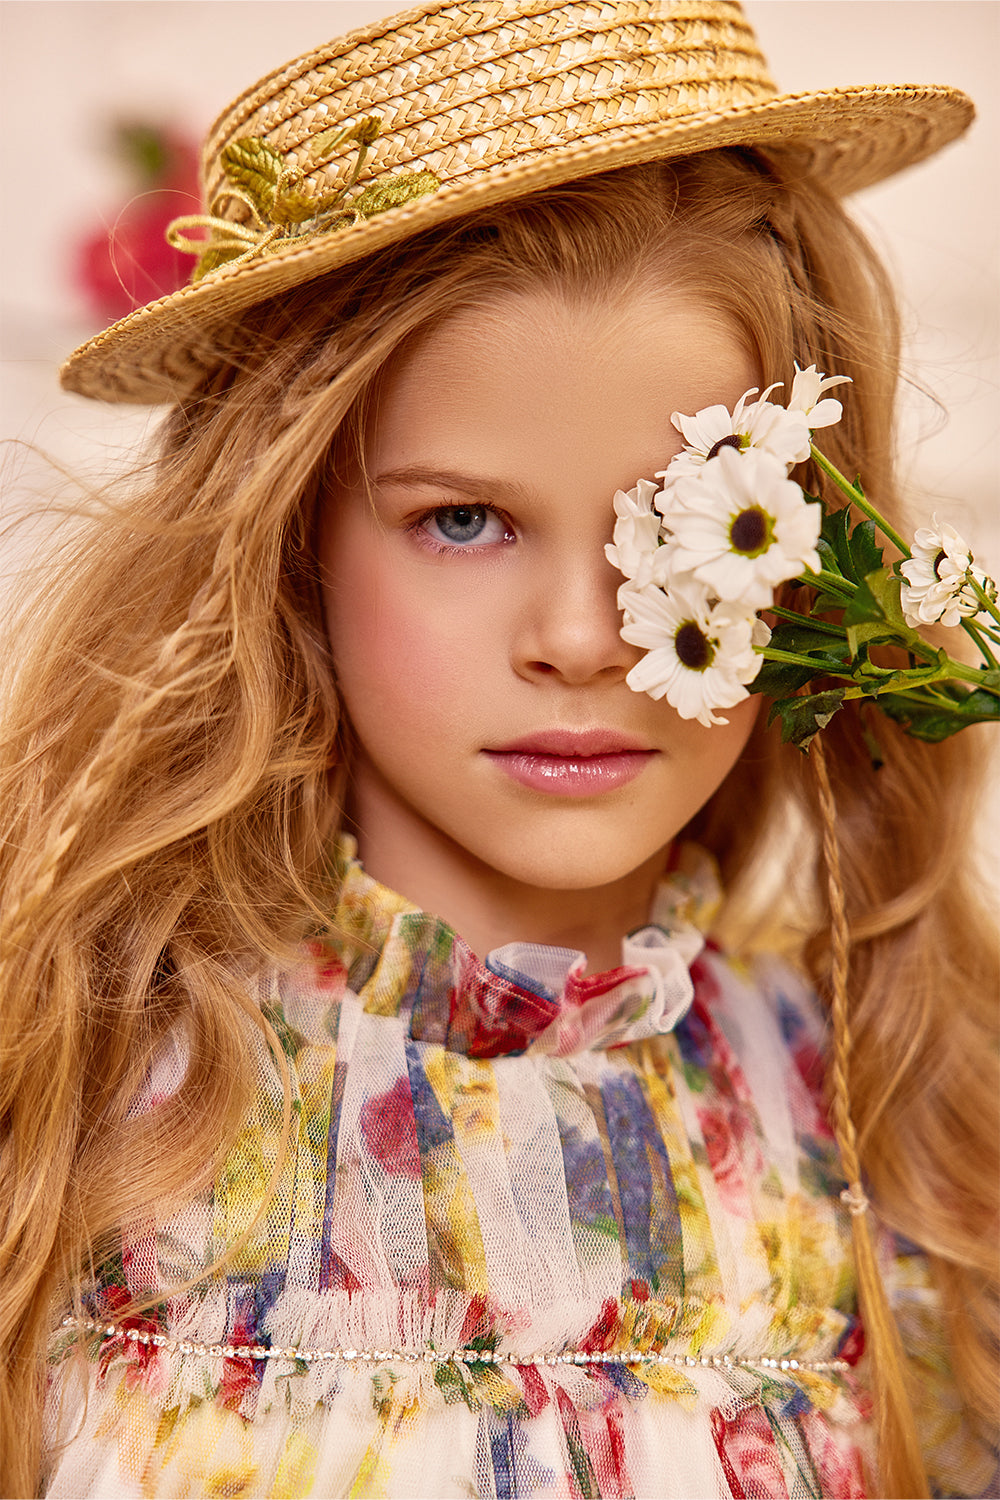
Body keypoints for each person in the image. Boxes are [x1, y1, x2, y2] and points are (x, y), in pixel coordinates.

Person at [1, 3, 997, 1496]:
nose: (585, 637)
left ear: (802, 551)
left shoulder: (912, 1112)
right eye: (462, 520)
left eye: (679, 520)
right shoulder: (69, 1088)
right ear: (294, 550)